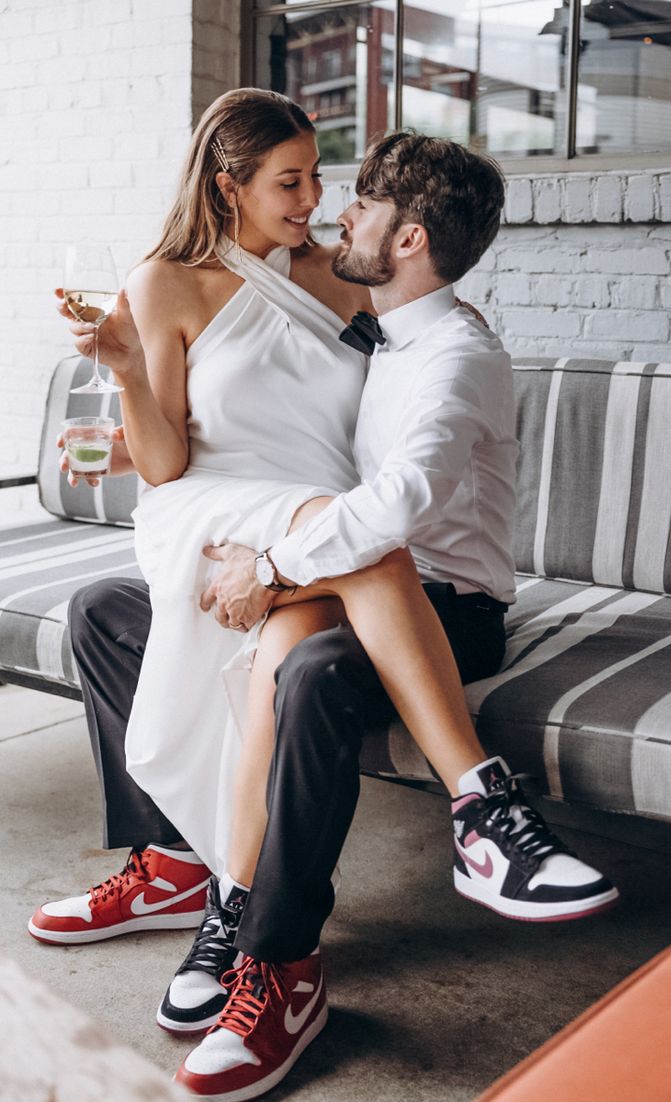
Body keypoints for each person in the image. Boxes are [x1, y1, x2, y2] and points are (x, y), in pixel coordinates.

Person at [32, 110, 619, 1099]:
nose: (321, 209)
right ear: (229, 185)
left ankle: (274, 949)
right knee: (105, 611)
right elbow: (232, 434)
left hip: (415, 585)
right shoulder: (369, 317)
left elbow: (387, 507)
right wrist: (136, 401)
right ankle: (190, 868)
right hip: (300, 540)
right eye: (296, 183)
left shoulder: (440, 348)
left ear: (407, 240)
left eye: (340, 193)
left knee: (303, 660)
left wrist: (266, 565)